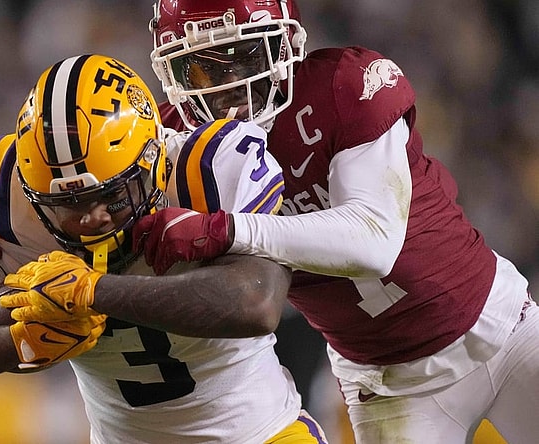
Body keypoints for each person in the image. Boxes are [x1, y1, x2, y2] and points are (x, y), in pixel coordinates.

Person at [133, 1, 538, 443]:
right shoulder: (167, 146)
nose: (229, 86)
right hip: (388, 387)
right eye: (201, 68)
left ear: (285, 45)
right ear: (172, 72)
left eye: (245, 56)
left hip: (502, 331)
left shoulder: (342, 85)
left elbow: (373, 241)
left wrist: (228, 230)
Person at [0, 54, 328, 443]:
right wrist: (18, 343)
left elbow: (257, 303)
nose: (90, 218)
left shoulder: (204, 172)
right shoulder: (10, 205)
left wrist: (92, 292)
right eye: (67, 204)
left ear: (154, 162)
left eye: (113, 195)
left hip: (262, 435)